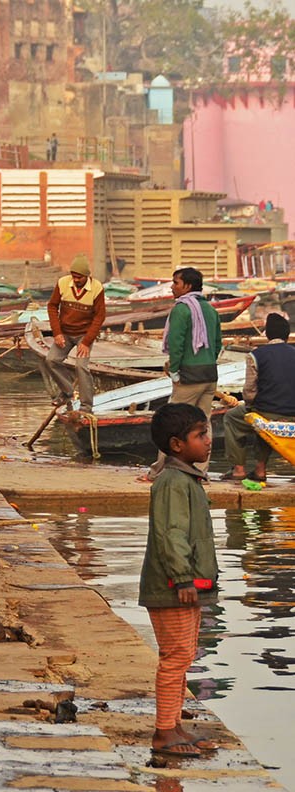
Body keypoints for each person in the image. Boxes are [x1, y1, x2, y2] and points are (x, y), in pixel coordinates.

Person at [140, 403, 219, 760]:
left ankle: (174, 725)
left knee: (184, 656)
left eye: (207, 433)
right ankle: (163, 732)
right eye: (200, 435)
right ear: (176, 445)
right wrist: (183, 578)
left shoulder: (186, 479)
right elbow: (171, 535)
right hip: (174, 586)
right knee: (175, 658)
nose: (208, 441)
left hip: (187, 585)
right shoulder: (172, 483)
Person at [144, 267, 223, 480]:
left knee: (170, 424)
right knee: (204, 425)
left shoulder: (182, 309)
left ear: (187, 286)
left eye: (175, 283)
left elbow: (175, 344)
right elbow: (217, 345)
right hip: (209, 374)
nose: (172, 287)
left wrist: (176, 371)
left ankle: (159, 472)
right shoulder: (211, 309)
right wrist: (206, 361)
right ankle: (200, 473)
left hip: (188, 376)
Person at [222, 314, 295, 482]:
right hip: (292, 413)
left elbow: (249, 391)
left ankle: (240, 469)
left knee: (232, 418)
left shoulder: (256, 355)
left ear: (267, 334)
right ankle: (259, 469)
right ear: (286, 334)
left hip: (267, 412)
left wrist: (249, 405)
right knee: (263, 418)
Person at [40, 255, 106, 413]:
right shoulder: (63, 283)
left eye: (79, 277)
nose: (76, 280)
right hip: (65, 332)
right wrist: (57, 333)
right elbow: (52, 306)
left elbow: (99, 317)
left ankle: (86, 406)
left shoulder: (97, 288)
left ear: (87, 276)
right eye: (74, 276)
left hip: (84, 334)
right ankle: (67, 392)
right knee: (51, 360)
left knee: (81, 366)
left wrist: (87, 341)